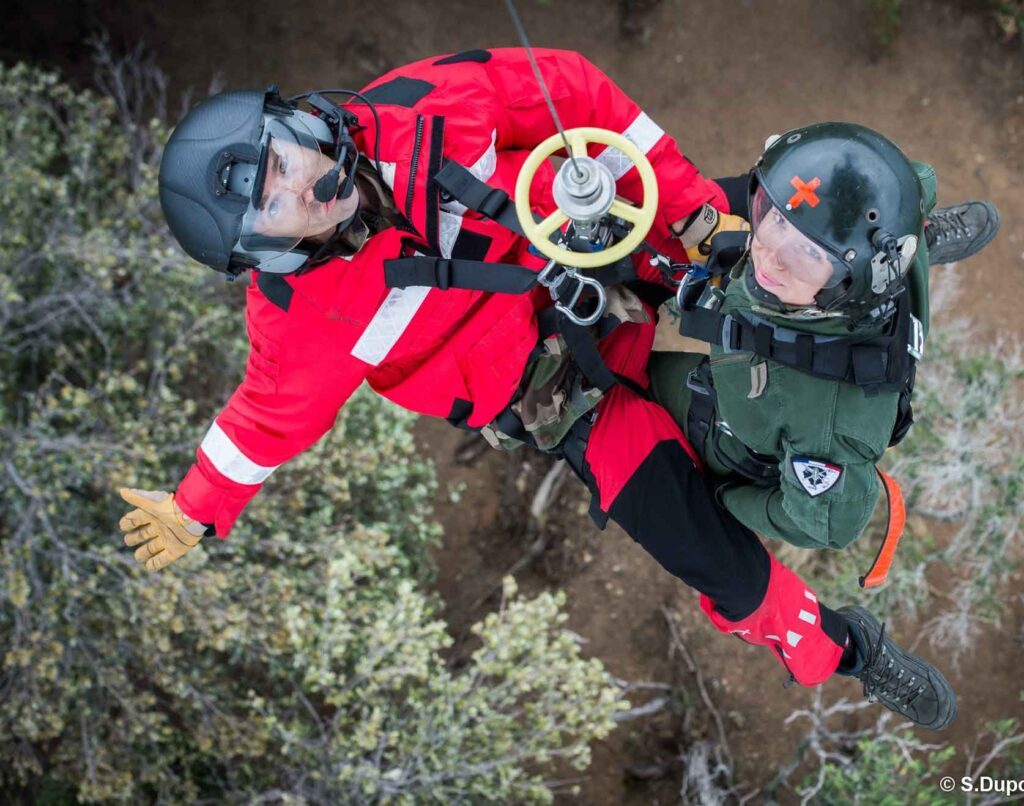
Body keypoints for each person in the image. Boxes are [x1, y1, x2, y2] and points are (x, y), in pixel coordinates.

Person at [119, 48, 963, 730]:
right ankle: (850, 651)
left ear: (295, 124)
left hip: (592, 237)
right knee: (708, 553)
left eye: (280, 161)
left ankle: (887, 242)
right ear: (260, 250)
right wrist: (195, 507)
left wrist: (691, 208)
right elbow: (263, 418)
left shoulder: (428, 104)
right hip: (548, 388)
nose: (298, 189)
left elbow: (572, 89)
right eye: (269, 204)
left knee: (762, 225)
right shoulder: (299, 321)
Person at [649, 124, 1000, 553]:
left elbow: (825, 525)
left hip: (730, 415)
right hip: (832, 298)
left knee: (629, 379)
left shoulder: (827, 432)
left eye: (810, 251)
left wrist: (726, 501)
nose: (769, 254)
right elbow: (915, 177)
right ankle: (918, 238)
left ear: (854, 280)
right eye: (776, 218)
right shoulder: (881, 208)